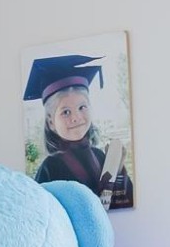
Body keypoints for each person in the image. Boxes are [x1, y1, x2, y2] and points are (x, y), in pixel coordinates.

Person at [24, 54, 131, 208]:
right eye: (65, 112)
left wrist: (118, 170)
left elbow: (121, 203)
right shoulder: (50, 168)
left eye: (82, 107)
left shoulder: (100, 156)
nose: (76, 118)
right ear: (51, 122)